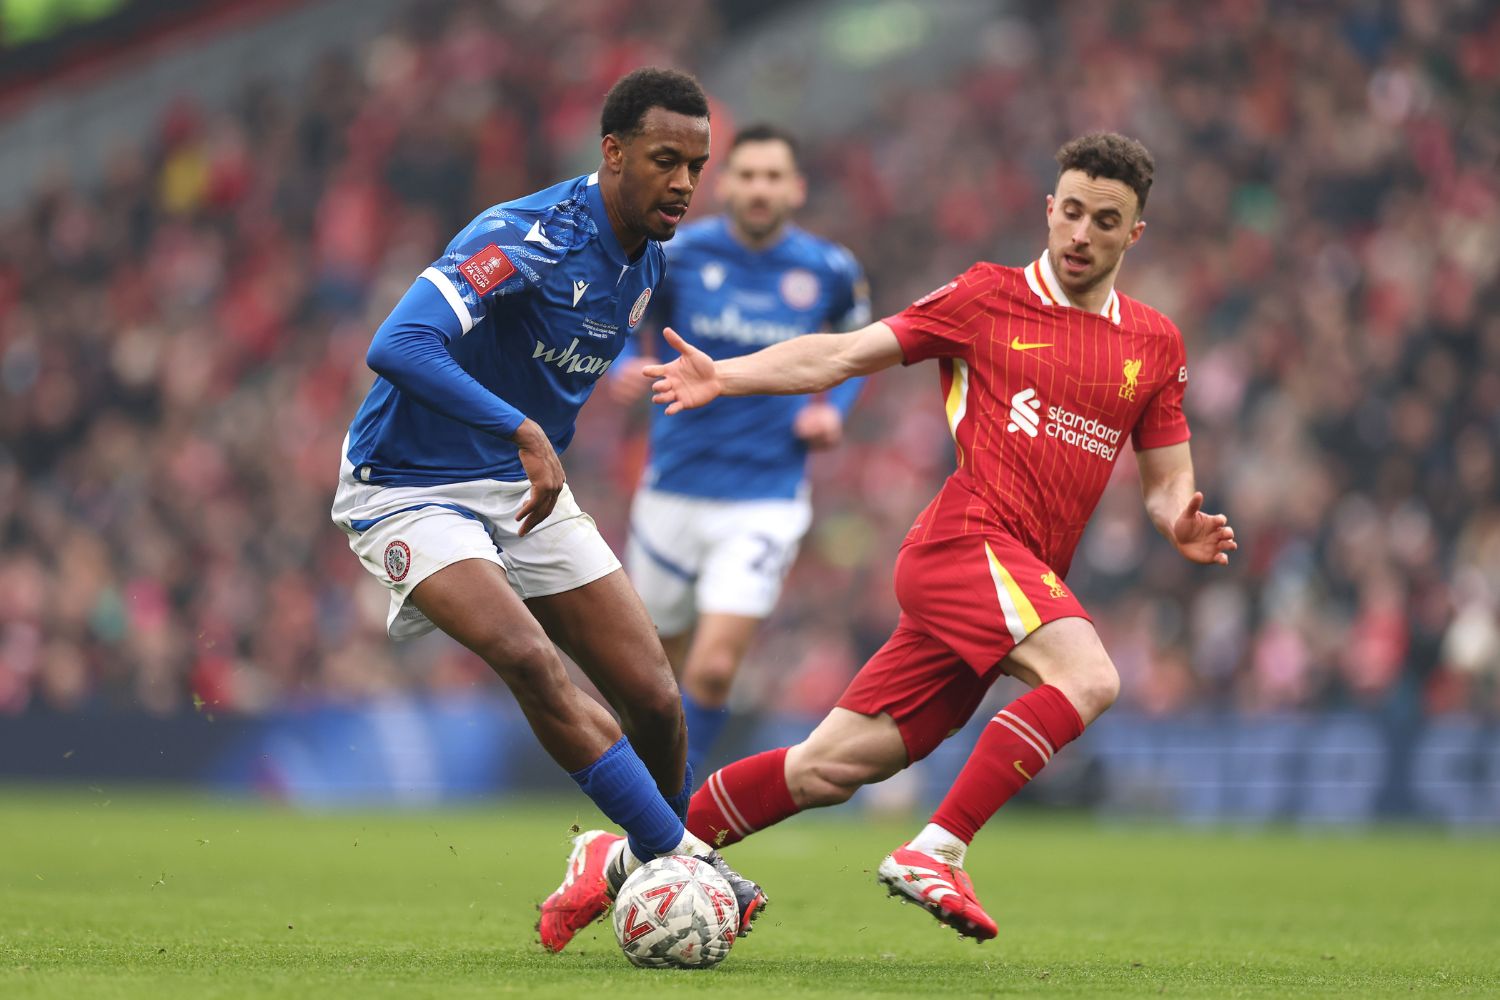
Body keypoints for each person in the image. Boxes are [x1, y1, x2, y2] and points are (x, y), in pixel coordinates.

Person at [647, 132, 1238, 940]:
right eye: (1070, 212)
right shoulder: (987, 296)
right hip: (966, 543)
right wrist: (727, 374)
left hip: (1014, 576)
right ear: (1048, 209)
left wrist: (1179, 520)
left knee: (832, 766)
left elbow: (1167, 476)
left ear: (1134, 234)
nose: (1080, 235)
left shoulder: (1155, 344)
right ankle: (939, 849)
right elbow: (844, 354)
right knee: (1091, 677)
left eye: (1105, 221)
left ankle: (623, 855)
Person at [328, 67, 766, 954]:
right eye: (664, 160)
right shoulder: (525, 236)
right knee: (528, 657)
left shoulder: (647, 257)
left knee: (657, 702)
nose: (685, 182)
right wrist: (523, 427)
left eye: (698, 164)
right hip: (407, 485)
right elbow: (397, 342)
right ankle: (682, 860)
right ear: (611, 153)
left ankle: (617, 866)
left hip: (521, 487)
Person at [608, 123, 870, 775]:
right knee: (656, 680)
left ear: (796, 188)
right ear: (722, 184)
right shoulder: (678, 254)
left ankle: (676, 813)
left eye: (773, 176)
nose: (759, 189)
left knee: (717, 666)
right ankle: (653, 816)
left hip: (765, 495)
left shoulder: (829, 270)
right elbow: (622, 318)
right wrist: (620, 364)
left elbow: (857, 352)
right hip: (673, 487)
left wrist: (830, 412)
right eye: (747, 175)